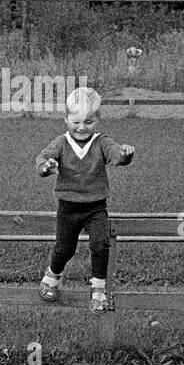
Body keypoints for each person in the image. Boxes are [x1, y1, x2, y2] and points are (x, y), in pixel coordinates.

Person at [36, 88, 135, 314]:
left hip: (95, 207)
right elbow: (42, 158)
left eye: (89, 122)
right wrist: (46, 166)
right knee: (64, 249)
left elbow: (115, 154)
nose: (82, 127)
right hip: (68, 207)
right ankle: (52, 275)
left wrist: (125, 155)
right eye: (76, 121)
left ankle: (98, 289)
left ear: (97, 121)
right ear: (66, 120)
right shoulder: (61, 142)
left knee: (100, 245)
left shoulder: (101, 142)